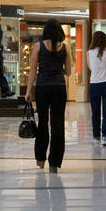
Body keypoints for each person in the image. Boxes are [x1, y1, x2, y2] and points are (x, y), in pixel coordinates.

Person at [26, 18, 70, 171]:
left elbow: (32, 70)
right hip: (59, 87)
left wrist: (27, 91)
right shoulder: (65, 48)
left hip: (43, 87)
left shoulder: (38, 47)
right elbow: (69, 72)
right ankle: (54, 163)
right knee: (58, 125)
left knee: (43, 122)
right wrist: (58, 69)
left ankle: (40, 159)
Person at [88, 30, 106, 144]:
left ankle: (96, 136)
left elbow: (90, 68)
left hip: (94, 84)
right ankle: (105, 137)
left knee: (95, 112)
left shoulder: (88, 52)